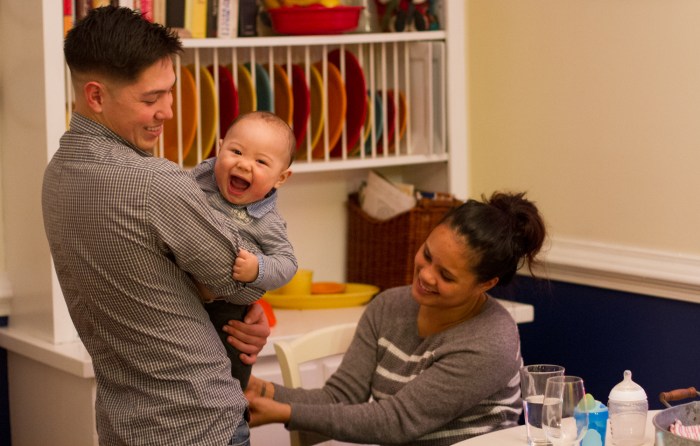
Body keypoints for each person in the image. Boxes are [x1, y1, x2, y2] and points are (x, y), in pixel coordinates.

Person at [42, 6, 269, 445]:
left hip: (122, 423)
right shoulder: (153, 182)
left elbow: (143, 284)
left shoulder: (57, 175)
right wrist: (224, 296)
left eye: (170, 92)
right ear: (95, 96)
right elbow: (246, 284)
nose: (167, 110)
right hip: (198, 422)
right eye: (150, 99)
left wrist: (202, 291)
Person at [239, 191, 547, 446]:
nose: (426, 275)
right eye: (427, 255)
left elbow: (397, 422)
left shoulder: (490, 341)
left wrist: (285, 412)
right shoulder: (389, 306)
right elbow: (340, 397)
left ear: (486, 284)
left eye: (446, 275)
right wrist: (260, 389)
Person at [192, 111, 297, 390]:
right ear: (220, 148)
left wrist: (257, 269)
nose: (244, 164)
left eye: (261, 161)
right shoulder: (200, 180)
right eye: (236, 151)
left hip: (228, 313)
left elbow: (287, 263)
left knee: (227, 384)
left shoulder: (266, 221)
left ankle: (233, 410)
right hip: (186, 299)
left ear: (281, 177)